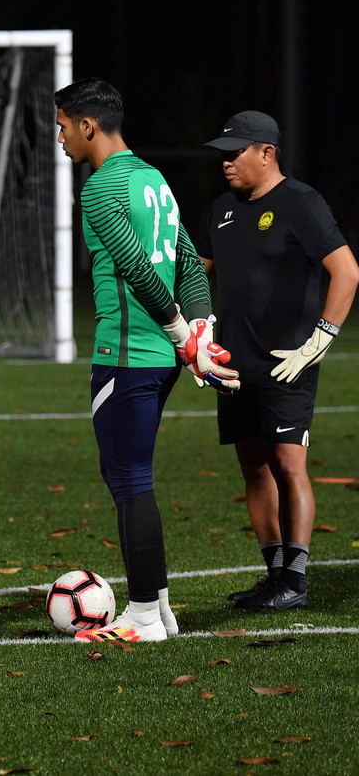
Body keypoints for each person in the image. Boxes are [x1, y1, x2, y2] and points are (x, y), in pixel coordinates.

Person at [52, 78, 238, 643]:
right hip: (157, 354)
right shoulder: (153, 179)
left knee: (129, 479)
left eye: (62, 126)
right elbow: (186, 258)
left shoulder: (102, 188)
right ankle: (158, 608)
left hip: (129, 352)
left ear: (87, 125)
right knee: (130, 477)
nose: (59, 138)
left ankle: (141, 617)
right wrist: (199, 330)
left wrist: (187, 333)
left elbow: (136, 265)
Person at [193, 111, 359, 610]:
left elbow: (347, 272)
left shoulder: (301, 203)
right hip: (232, 364)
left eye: (236, 151)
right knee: (254, 467)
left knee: (289, 464)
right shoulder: (220, 209)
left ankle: (297, 579)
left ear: (267, 152)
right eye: (223, 152)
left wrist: (318, 342)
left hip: (289, 361)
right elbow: (196, 274)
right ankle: (274, 575)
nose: (226, 161)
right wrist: (194, 335)